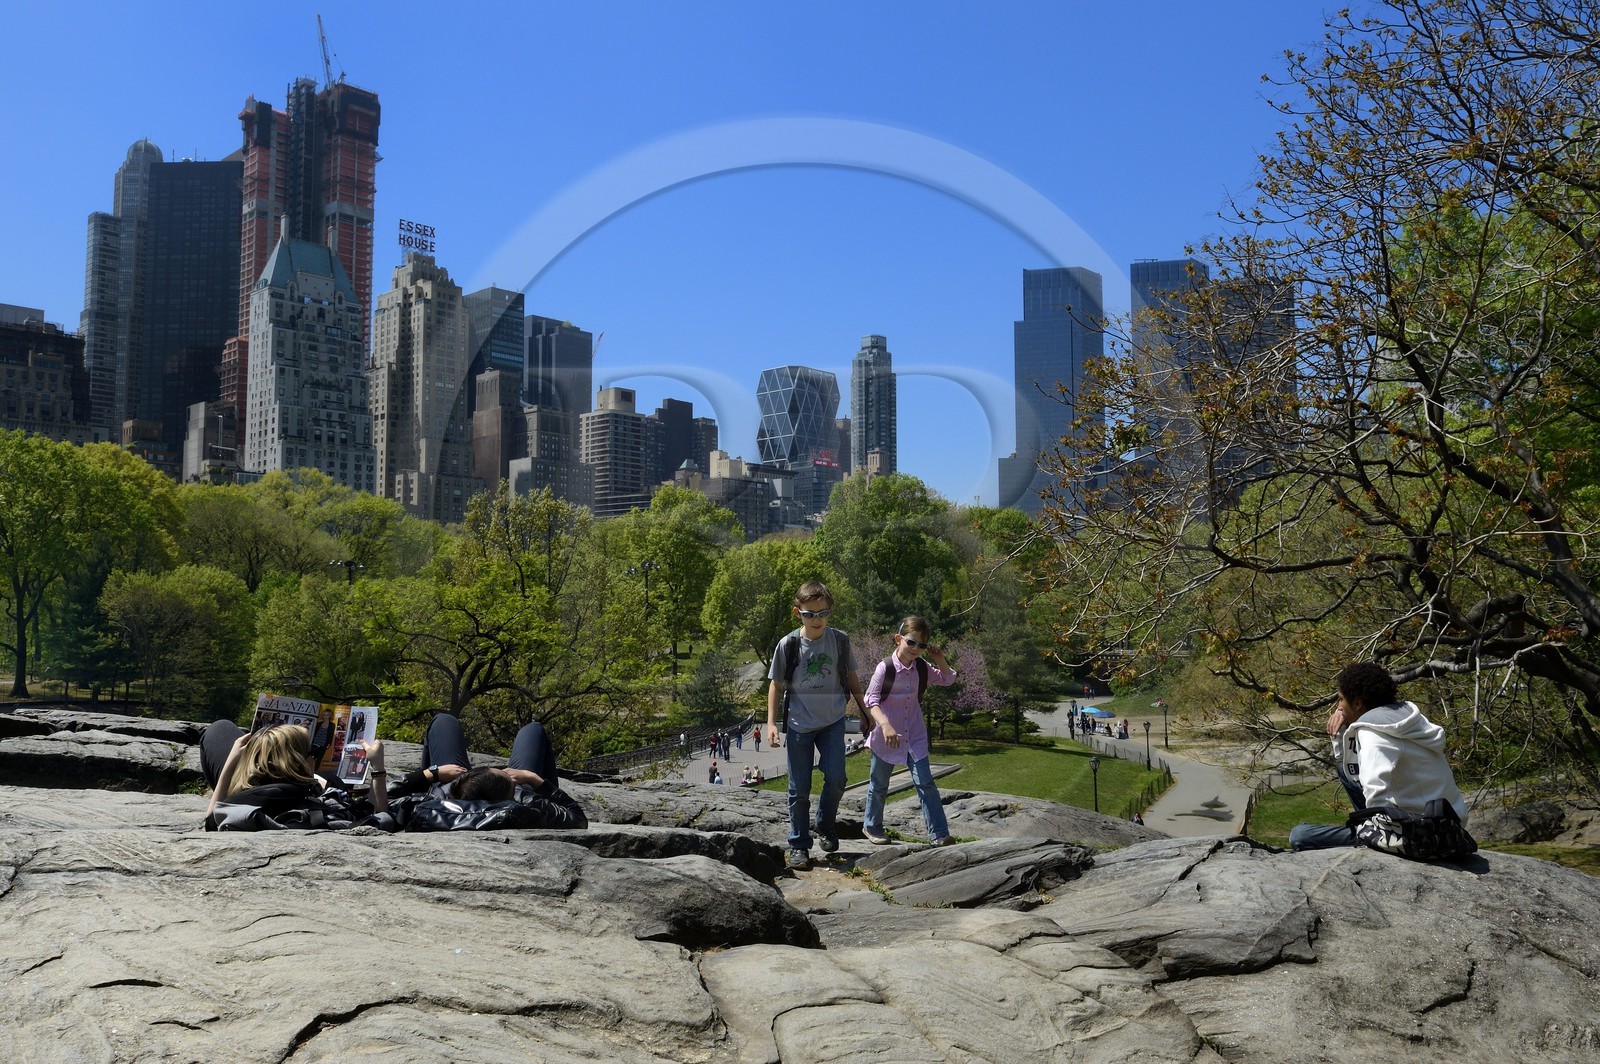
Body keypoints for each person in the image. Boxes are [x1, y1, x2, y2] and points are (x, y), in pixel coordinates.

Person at [1289, 662, 1469, 850]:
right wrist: (1342, 732)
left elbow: (1375, 791)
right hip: (1450, 823)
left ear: (1358, 703)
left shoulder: (1374, 734)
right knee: (1344, 770)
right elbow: (1350, 768)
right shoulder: (1401, 718)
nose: (1339, 707)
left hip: (1423, 834)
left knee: (1300, 835)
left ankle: (1366, 834)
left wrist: (1372, 833)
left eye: (1341, 700)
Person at [767, 580, 866, 871]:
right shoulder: (789, 644)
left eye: (823, 613)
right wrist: (771, 723)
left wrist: (864, 711)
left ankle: (825, 824)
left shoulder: (840, 640)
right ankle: (799, 844)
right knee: (799, 789)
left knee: (837, 778)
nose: (817, 619)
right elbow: (775, 684)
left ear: (830, 612)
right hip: (799, 725)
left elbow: (851, 678)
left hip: (832, 721)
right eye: (809, 614)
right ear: (797, 613)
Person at [388, 712, 586, 829]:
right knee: (533, 730)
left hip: (453, 794)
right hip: (487, 792)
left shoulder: (433, 803)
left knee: (443, 720)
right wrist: (534, 779)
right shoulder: (528, 803)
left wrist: (431, 773)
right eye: (508, 775)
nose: (506, 771)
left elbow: (383, 801)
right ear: (514, 789)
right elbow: (577, 818)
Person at [861, 616, 959, 847]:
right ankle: (872, 826)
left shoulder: (923, 668)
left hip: (914, 734)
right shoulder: (884, 667)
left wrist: (940, 658)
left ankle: (939, 834)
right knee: (879, 784)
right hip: (886, 736)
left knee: (925, 782)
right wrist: (885, 725)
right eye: (911, 642)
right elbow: (870, 700)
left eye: (922, 645)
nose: (916, 649)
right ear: (898, 639)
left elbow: (948, 679)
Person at [201, 719, 388, 830]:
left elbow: (211, 821)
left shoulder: (238, 802)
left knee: (220, 728)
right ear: (306, 762)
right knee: (332, 780)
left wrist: (230, 765)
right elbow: (380, 819)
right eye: (312, 752)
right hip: (309, 797)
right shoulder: (324, 805)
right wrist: (378, 768)